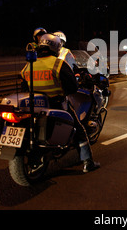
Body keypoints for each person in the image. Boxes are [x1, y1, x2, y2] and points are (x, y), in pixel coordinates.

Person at [20, 33, 100, 173]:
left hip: (35, 105)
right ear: (56, 47)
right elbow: (72, 87)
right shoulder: (58, 63)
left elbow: (23, 85)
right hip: (56, 104)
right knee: (80, 131)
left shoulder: (29, 64)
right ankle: (88, 162)